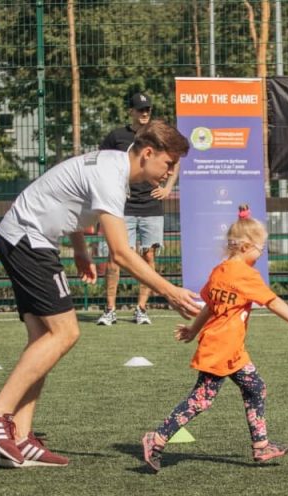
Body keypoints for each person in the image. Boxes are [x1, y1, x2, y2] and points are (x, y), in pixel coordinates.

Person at [0, 120, 200, 468]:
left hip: (25, 236)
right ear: (148, 153)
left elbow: (70, 201)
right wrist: (169, 291)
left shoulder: (111, 167)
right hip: (28, 239)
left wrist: (79, 250)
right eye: (168, 164)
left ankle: (20, 436)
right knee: (66, 332)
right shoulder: (112, 177)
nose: (168, 174)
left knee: (43, 339)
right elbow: (121, 253)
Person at [140, 215, 288, 473]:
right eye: (261, 248)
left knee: (255, 388)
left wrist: (194, 329)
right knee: (201, 399)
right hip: (221, 347)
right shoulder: (246, 275)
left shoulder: (220, 270)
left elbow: (209, 307)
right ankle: (157, 438)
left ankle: (261, 446)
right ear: (246, 246)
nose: (262, 253)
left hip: (230, 348)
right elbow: (274, 303)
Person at [96, 91, 179, 326]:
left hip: (151, 206)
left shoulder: (156, 135)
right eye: (140, 109)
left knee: (148, 256)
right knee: (116, 257)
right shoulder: (117, 136)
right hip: (122, 206)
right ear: (130, 111)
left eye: (148, 110)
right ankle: (110, 309)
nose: (145, 113)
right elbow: (101, 162)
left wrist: (168, 187)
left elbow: (176, 160)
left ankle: (141, 309)